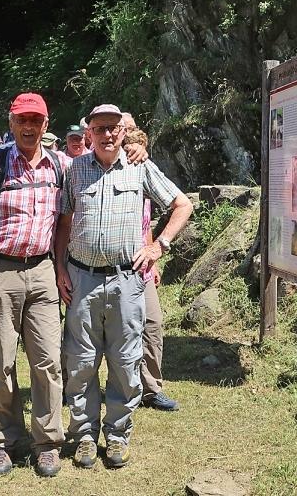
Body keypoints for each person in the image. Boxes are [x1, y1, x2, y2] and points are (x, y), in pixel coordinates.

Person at [54, 104, 193, 469]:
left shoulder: (139, 166)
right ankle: (84, 436)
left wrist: (158, 246)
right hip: (82, 279)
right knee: (80, 362)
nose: (107, 134)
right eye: (99, 128)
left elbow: (182, 204)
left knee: (125, 361)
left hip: (126, 281)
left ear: (122, 131)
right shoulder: (75, 170)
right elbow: (64, 223)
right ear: (89, 133)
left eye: (113, 128)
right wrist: (60, 268)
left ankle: (117, 436)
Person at [0, 92, 69, 478]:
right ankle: (4, 442)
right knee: (1, 362)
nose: (29, 127)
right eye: (22, 119)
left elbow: (68, 216)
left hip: (42, 272)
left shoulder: (61, 166)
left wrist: (134, 149)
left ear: (46, 124)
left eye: (36, 120)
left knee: (48, 362)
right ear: (11, 123)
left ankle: (47, 443)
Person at [123, 116, 179, 412]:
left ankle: (151, 389)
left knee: (152, 325)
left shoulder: (140, 167)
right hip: (107, 267)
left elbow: (145, 222)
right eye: (124, 127)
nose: (129, 131)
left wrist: (154, 253)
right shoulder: (94, 165)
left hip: (141, 263)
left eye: (131, 126)